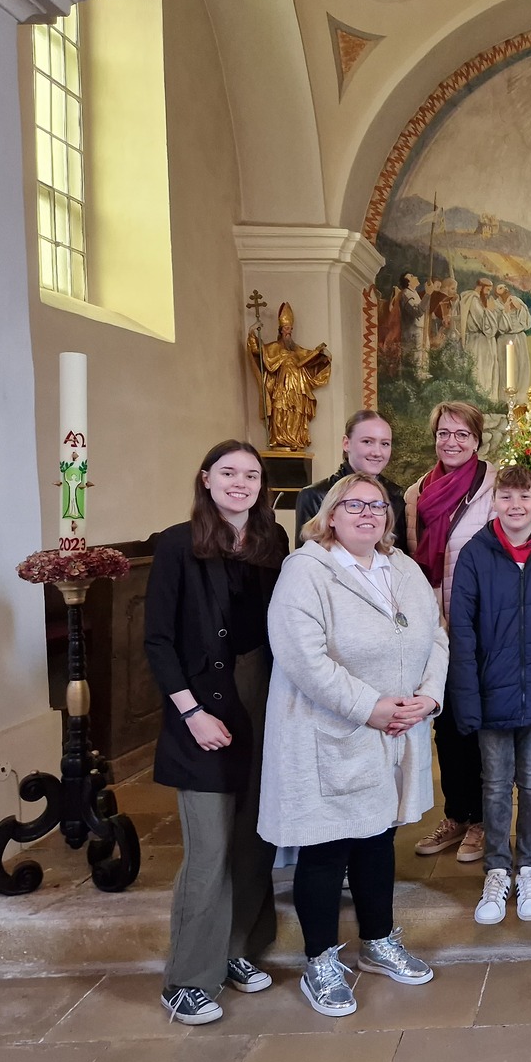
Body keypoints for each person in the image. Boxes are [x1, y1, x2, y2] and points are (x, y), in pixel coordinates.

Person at [260, 473, 448, 1018]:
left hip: (396, 729)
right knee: (326, 847)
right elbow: (303, 657)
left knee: (377, 838)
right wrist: (371, 707)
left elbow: (436, 635)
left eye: (378, 506)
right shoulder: (307, 570)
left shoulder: (403, 567)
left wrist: (428, 696)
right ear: (331, 515)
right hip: (331, 731)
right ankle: (320, 959)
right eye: (355, 505)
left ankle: (378, 941)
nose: (368, 514)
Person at [144, 441, 288, 1026]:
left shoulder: (272, 542)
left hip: (263, 704)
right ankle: (186, 979)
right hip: (202, 708)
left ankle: (235, 950)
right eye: (229, 472)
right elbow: (157, 640)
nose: (240, 483)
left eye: (251, 475)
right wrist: (190, 712)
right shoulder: (176, 544)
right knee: (208, 851)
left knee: (254, 841)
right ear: (206, 479)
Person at [448, 466, 531, 925]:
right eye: (506, 497)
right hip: (492, 690)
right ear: (495, 502)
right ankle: (496, 870)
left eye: (524, 496)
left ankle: (529, 868)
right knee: (496, 783)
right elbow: (462, 631)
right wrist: (467, 696)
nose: (516, 505)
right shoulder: (475, 552)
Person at [404, 401, 495, 864]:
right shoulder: (416, 492)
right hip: (434, 629)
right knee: (447, 725)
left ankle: (484, 821)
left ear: (477, 440)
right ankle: (457, 813)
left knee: (480, 726)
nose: (452, 441)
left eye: (462, 434)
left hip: (482, 627)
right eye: (444, 433)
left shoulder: (495, 487)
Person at [295, 410, 409, 556]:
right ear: (346, 443)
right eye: (367, 442)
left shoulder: (396, 496)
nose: (377, 452)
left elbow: (398, 556)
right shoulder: (314, 496)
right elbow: (307, 559)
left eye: (385, 444)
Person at [246, 302, 331, 452]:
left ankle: (295, 439)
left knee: (297, 411)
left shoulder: (296, 349)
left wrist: (323, 355)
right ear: (280, 329)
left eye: (290, 329)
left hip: (298, 387)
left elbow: (310, 358)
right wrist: (252, 331)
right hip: (282, 386)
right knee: (280, 409)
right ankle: (279, 439)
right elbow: (256, 350)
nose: (289, 332)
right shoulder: (274, 347)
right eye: (286, 328)